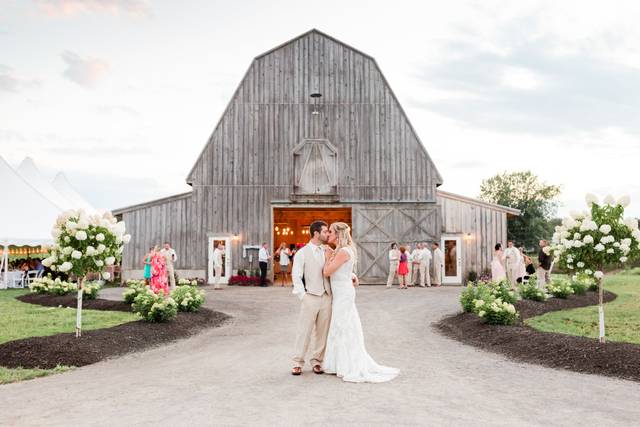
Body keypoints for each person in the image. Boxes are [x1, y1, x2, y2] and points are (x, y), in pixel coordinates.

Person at [322, 222, 399, 383]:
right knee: (341, 325)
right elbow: (346, 271)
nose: (328, 234)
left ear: (338, 234)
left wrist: (328, 258)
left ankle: (345, 365)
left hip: (343, 293)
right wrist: (352, 276)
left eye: (331, 231)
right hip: (342, 291)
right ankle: (337, 363)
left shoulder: (343, 251)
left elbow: (328, 272)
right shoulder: (342, 250)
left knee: (342, 325)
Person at [290, 221, 333, 375]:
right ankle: (297, 362)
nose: (328, 234)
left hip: (326, 297)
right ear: (316, 233)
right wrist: (303, 296)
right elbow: (296, 276)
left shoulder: (328, 250)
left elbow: (337, 270)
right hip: (310, 296)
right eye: (325, 231)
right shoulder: (302, 253)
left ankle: (317, 361)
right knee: (304, 331)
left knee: (323, 332)